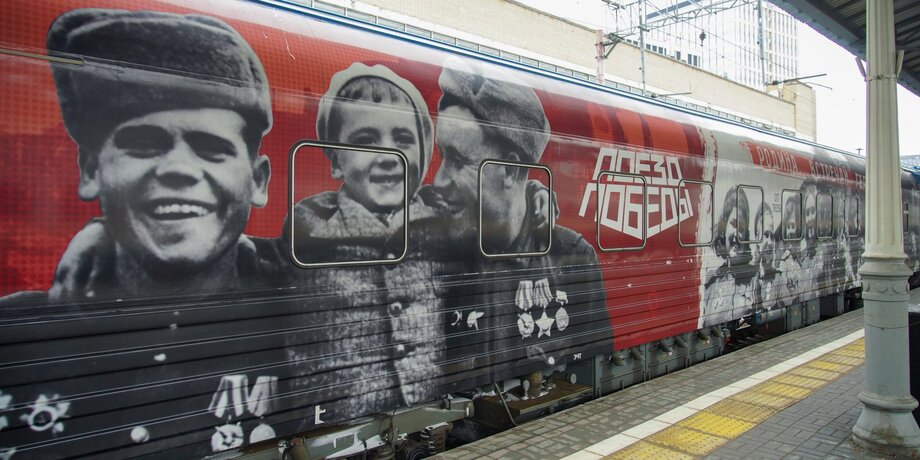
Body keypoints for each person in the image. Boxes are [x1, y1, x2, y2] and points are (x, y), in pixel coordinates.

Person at [32, 9, 280, 303]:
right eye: (143, 146)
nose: (178, 168)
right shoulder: (20, 321)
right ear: (91, 170)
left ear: (258, 181)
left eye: (212, 150)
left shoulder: (301, 294)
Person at [415, 57, 611, 389]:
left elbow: (596, 356)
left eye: (458, 160)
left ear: (509, 170)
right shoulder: (430, 250)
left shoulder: (571, 255)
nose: (440, 179)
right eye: (443, 156)